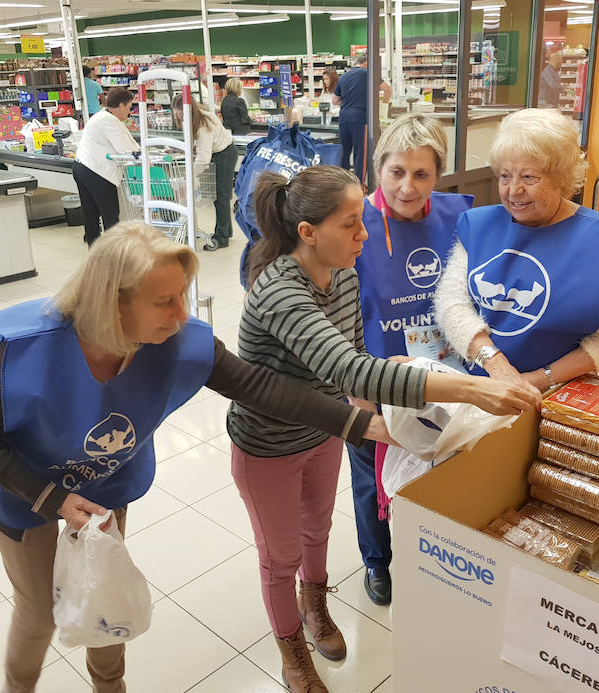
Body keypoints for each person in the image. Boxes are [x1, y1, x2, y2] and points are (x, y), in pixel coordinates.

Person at [0, 221, 400, 693]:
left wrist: (360, 424)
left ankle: (110, 686)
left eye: (183, 295)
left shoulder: (175, 343)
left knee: (104, 588)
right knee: (39, 610)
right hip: (22, 483)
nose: (181, 313)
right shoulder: (28, 352)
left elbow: (260, 388)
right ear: (113, 301)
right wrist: (54, 499)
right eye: (165, 301)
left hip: (103, 480)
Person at [228, 165, 540, 693]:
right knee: (278, 556)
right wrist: (472, 388)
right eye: (351, 224)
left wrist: (383, 426)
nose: (364, 235)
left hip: (322, 432)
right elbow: (351, 370)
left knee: (318, 531)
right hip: (269, 447)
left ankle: (316, 606)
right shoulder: (281, 291)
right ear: (308, 233)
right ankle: (291, 651)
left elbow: (354, 361)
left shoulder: (344, 275)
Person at [348, 113, 473, 607]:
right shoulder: (352, 220)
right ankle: (377, 562)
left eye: (421, 174)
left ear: (438, 175)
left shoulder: (459, 217)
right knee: (370, 473)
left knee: (441, 462)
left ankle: (435, 552)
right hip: (371, 381)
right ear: (378, 168)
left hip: (445, 376)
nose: (407, 186)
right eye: (396, 171)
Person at [434, 108, 599, 395]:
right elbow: (451, 303)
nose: (513, 191)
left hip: (558, 392)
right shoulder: (479, 226)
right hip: (482, 382)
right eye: (505, 176)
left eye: (529, 177)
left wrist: (537, 379)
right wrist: (495, 365)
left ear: (560, 177)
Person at [73, 87, 139, 246]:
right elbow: (127, 150)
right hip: (97, 172)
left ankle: (95, 252)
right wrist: (145, 156)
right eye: (129, 107)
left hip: (82, 168)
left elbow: (128, 143)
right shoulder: (110, 121)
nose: (129, 112)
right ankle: (113, 253)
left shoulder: (102, 116)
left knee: (91, 214)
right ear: (122, 106)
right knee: (110, 215)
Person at [172, 95, 236, 251]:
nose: (178, 117)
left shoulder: (203, 124)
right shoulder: (195, 118)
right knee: (220, 196)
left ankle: (221, 237)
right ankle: (226, 231)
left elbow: (203, 157)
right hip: (218, 153)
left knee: (221, 196)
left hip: (224, 154)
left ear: (188, 110)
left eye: (180, 113)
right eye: (176, 114)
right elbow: (197, 145)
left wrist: (190, 176)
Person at [332, 54, 391, 183]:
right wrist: (383, 105)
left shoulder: (343, 77)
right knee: (360, 155)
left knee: (344, 152)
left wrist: (348, 102)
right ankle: (359, 186)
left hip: (343, 119)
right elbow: (387, 89)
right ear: (366, 63)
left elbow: (335, 100)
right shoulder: (368, 73)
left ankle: (342, 184)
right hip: (360, 119)